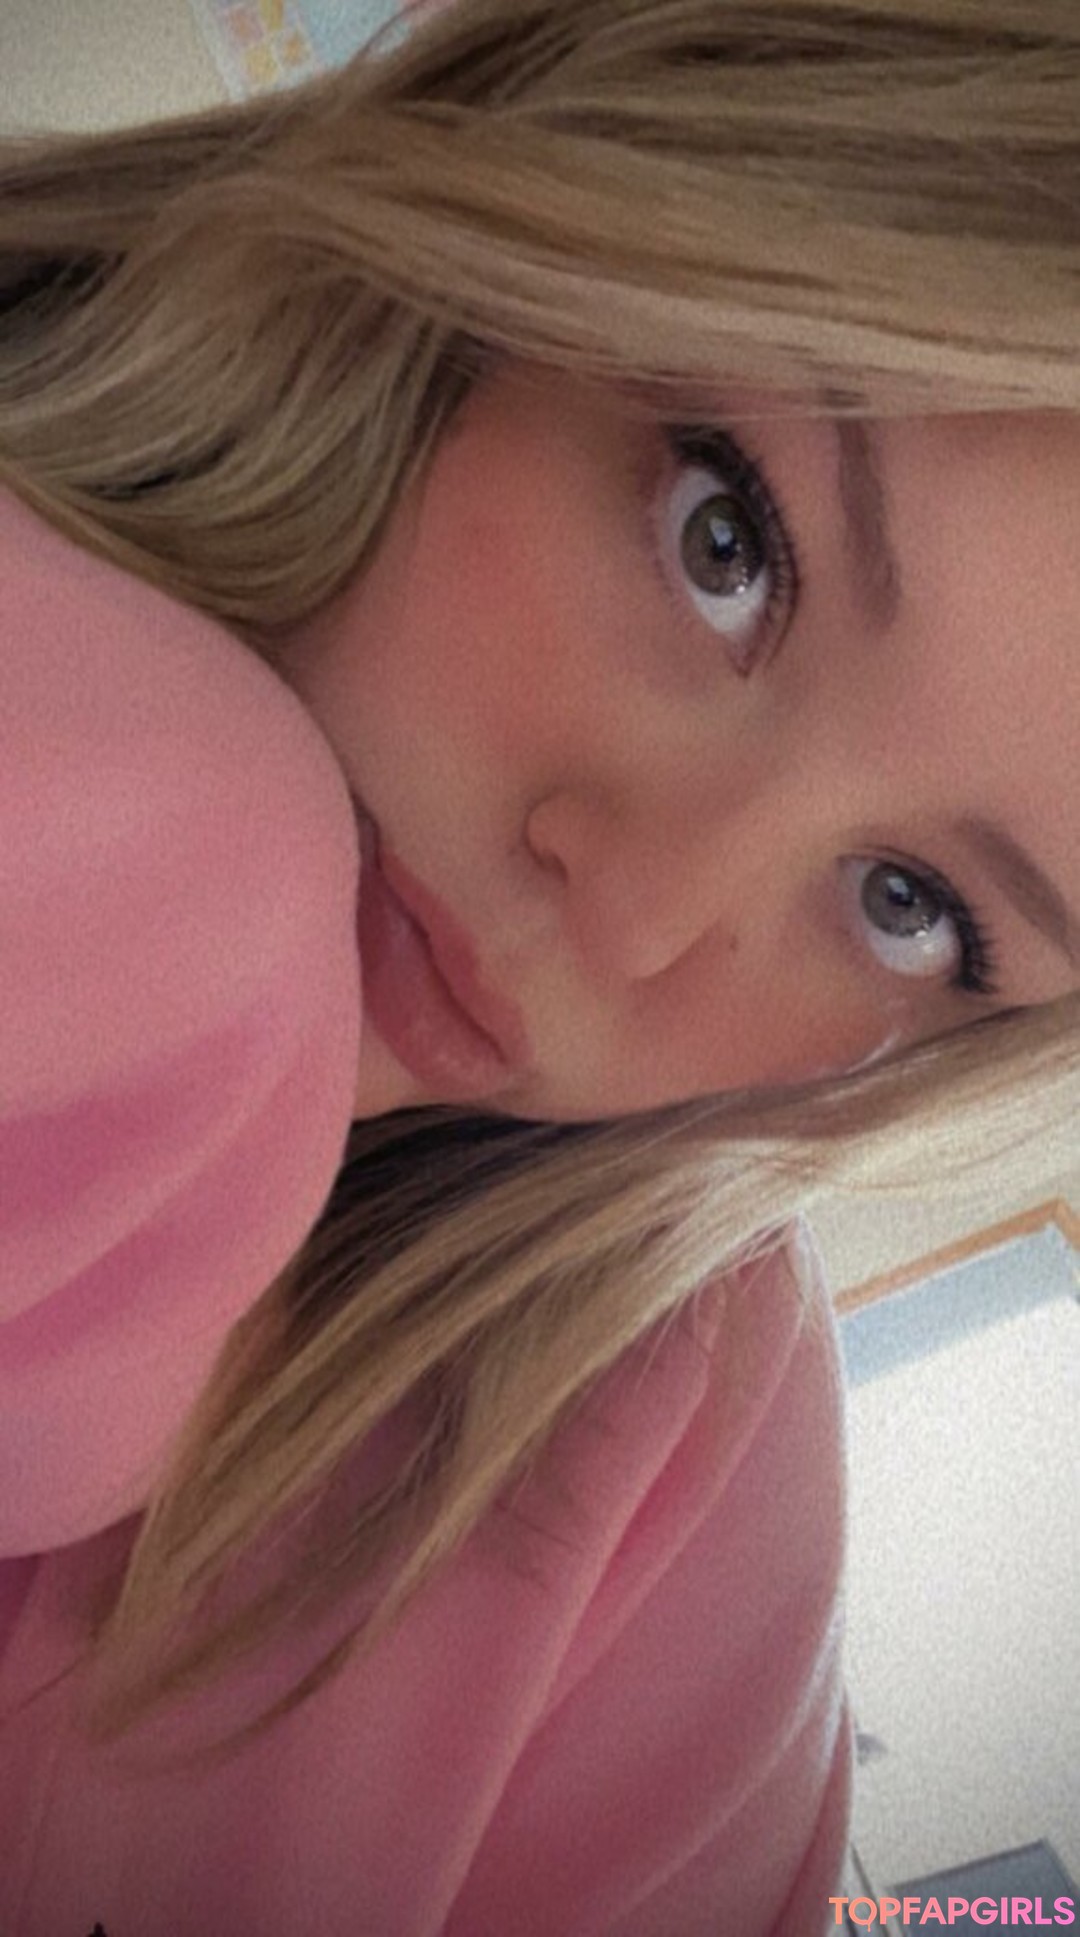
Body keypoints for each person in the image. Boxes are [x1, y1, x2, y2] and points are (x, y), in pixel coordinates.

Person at [0, 1, 1077, 1930]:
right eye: (726, 542)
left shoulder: (674, 1469)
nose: (637, 914)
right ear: (531, 220)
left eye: (912, 905)